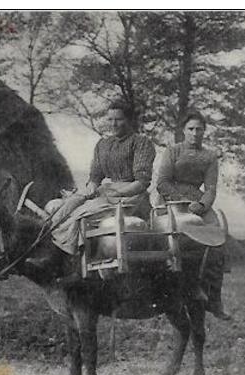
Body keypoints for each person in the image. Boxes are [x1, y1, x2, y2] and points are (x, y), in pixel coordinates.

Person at [28, 100, 155, 281]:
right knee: (65, 208)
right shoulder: (103, 145)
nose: (113, 124)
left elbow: (142, 182)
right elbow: (95, 178)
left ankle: (67, 262)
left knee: (82, 215)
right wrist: (86, 192)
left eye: (118, 119)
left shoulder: (141, 143)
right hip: (106, 192)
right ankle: (52, 252)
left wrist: (117, 193)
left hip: (132, 196)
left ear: (129, 120)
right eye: (110, 119)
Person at [155, 110, 231, 321]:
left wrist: (202, 204)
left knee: (217, 236)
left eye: (199, 129)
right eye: (191, 129)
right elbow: (162, 182)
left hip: (198, 202)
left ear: (204, 131)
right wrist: (182, 201)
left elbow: (211, 188)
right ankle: (161, 290)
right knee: (167, 239)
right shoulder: (173, 151)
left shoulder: (209, 156)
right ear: (183, 130)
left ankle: (213, 297)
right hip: (170, 200)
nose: (195, 133)